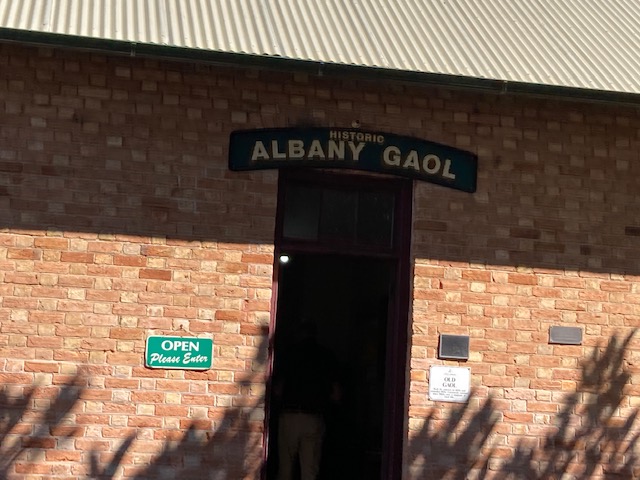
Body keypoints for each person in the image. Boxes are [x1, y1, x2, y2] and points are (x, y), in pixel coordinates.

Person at [273, 320, 340, 480]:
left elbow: (277, 389)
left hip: (289, 416)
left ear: (299, 334)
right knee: (309, 471)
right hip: (313, 418)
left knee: (285, 469)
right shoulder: (326, 356)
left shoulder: (289, 354)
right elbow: (336, 394)